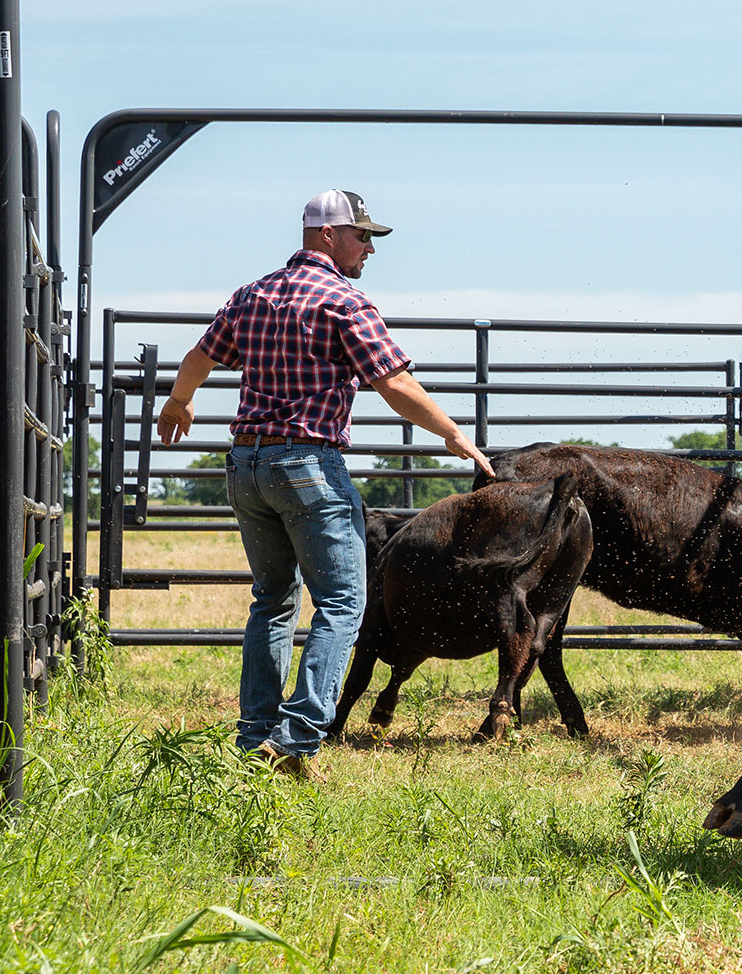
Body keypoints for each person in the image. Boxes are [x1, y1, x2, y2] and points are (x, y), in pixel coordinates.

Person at [156, 189, 496, 778]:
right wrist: (452, 434)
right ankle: (296, 740)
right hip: (308, 465)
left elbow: (199, 355)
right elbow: (394, 385)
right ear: (326, 235)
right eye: (361, 235)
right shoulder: (345, 301)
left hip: (246, 466)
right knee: (344, 601)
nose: (368, 247)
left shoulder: (253, 294)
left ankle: (256, 734)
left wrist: (178, 402)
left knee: (272, 598)